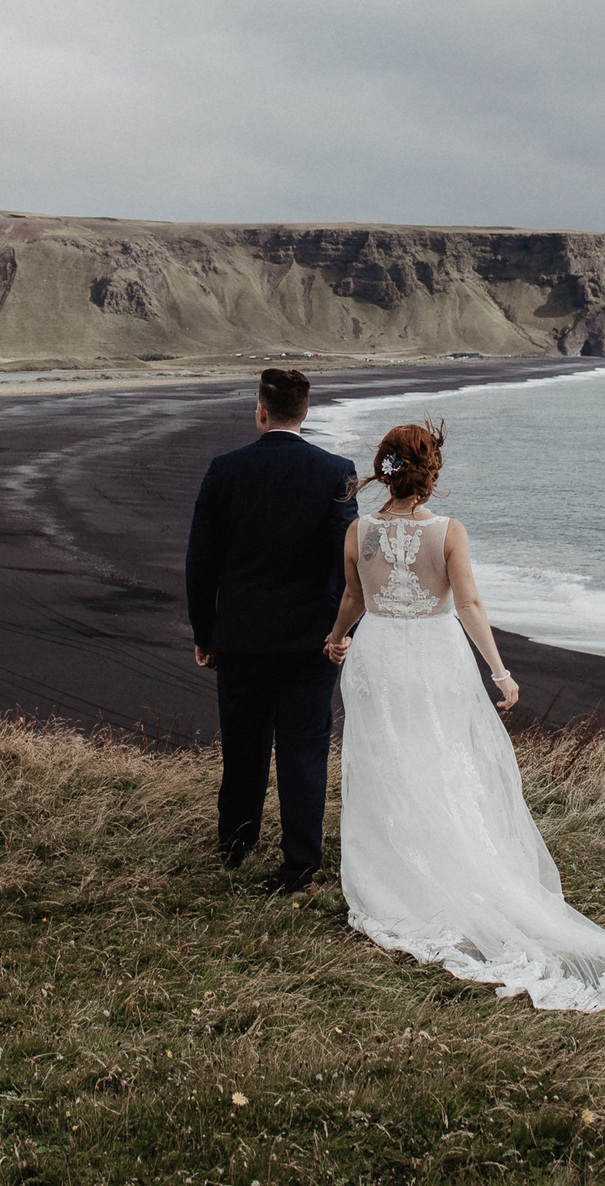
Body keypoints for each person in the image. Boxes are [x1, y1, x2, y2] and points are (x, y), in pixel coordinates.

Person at [322, 420, 605, 1011]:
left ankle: (397, 882)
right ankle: (448, 868)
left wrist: (338, 638)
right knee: (442, 761)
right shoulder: (448, 532)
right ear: (430, 472)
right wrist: (500, 672)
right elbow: (468, 603)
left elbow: (354, 599)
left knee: (388, 764)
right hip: (436, 659)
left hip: (379, 657)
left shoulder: (359, 531)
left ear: (384, 470)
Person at [184, 368, 360, 894]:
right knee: (305, 751)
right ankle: (299, 870)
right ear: (305, 413)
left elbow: (201, 561)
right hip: (313, 641)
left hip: (241, 636)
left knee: (243, 747)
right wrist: (340, 631)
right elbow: (349, 563)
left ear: (260, 411)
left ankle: (234, 849)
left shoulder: (224, 470)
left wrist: (204, 632)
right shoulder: (336, 471)